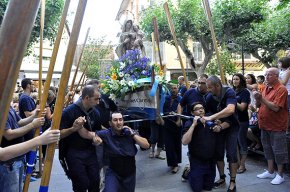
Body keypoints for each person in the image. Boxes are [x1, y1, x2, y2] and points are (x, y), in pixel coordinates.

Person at [78, 112, 150, 192]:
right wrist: (79, 126)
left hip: (130, 171)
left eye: (120, 120)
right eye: (115, 120)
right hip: (114, 171)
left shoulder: (129, 132)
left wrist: (132, 134)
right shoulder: (106, 134)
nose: (118, 122)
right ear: (110, 123)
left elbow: (146, 145)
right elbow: (86, 134)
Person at [59, 85, 102, 192]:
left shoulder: (95, 113)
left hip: (91, 152)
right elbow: (58, 134)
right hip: (74, 153)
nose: (98, 102)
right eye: (96, 99)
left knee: (95, 182)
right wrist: (73, 129)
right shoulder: (69, 112)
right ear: (87, 98)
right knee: (81, 183)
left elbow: (97, 131)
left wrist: (96, 138)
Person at [182, 102, 230, 192]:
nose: (200, 110)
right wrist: (193, 125)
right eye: (197, 109)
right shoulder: (189, 122)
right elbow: (184, 142)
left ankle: (195, 173)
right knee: (197, 189)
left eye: (202, 108)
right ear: (192, 113)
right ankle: (187, 172)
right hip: (197, 160)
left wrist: (219, 125)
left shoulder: (210, 119)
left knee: (208, 187)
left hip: (210, 161)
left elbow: (229, 122)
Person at [203, 75, 239, 192]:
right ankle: (222, 177)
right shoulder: (209, 97)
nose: (208, 90)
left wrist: (215, 118)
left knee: (232, 154)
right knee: (218, 153)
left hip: (232, 127)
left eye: (210, 87)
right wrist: (214, 121)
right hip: (218, 127)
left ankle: (232, 181)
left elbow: (230, 110)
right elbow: (207, 112)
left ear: (217, 86)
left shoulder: (229, 92)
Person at [254, 68, 289, 185]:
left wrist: (261, 99)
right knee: (267, 148)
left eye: (269, 75)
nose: (266, 77)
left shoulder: (281, 89)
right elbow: (260, 104)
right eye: (265, 74)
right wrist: (257, 100)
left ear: (276, 76)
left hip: (277, 126)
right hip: (265, 124)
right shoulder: (265, 88)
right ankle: (270, 171)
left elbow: (276, 108)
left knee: (279, 151)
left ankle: (280, 174)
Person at [0, 106, 45, 192]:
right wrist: (33, 125)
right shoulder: (2, 106)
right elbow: (9, 135)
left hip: (17, 158)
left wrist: (33, 117)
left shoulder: (7, 105)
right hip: (8, 162)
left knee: (18, 189)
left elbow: (19, 122)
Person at [232, 73, 251, 174]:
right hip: (233, 120)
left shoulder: (245, 92)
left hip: (242, 121)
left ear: (241, 80)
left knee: (242, 142)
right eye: (234, 79)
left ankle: (243, 165)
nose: (235, 81)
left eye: (237, 79)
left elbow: (242, 107)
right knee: (235, 143)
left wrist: (233, 100)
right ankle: (238, 163)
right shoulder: (233, 91)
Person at [162, 84, 182, 173]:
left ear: (178, 89)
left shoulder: (180, 100)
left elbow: (182, 111)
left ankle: (176, 164)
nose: (173, 90)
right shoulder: (166, 98)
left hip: (176, 125)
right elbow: (163, 110)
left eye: (175, 88)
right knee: (169, 145)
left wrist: (179, 119)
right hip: (167, 124)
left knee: (176, 144)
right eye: (172, 88)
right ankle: (173, 163)